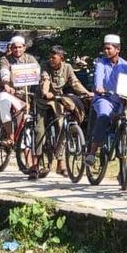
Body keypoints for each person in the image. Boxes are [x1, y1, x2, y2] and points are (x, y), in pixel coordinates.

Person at [34, 45, 92, 178]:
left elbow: (74, 82)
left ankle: (60, 163)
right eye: (50, 57)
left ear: (62, 58)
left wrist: (87, 93)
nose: (51, 59)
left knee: (62, 126)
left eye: (54, 57)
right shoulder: (45, 65)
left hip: (58, 99)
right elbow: (45, 80)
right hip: (43, 100)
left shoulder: (68, 68)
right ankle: (35, 163)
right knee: (39, 130)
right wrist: (45, 92)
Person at [86, 35, 127, 167]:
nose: (106, 51)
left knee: (126, 122)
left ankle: (123, 170)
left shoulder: (126, 66)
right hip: (104, 99)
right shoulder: (101, 63)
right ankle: (92, 152)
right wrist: (99, 87)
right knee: (104, 117)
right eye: (104, 48)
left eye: (109, 48)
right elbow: (98, 78)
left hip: (120, 101)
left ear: (118, 49)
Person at [0, 36, 38, 147]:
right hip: (9, 94)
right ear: (11, 48)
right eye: (15, 47)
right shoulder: (5, 59)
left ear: (24, 48)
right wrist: (6, 84)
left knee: (27, 123)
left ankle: (28, 156)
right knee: (4, 101)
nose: (17, 50)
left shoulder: (30, 59)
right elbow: (4, 71)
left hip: (25, 96)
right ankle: (10, 136)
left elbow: (37, 73)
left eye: (20, 47)